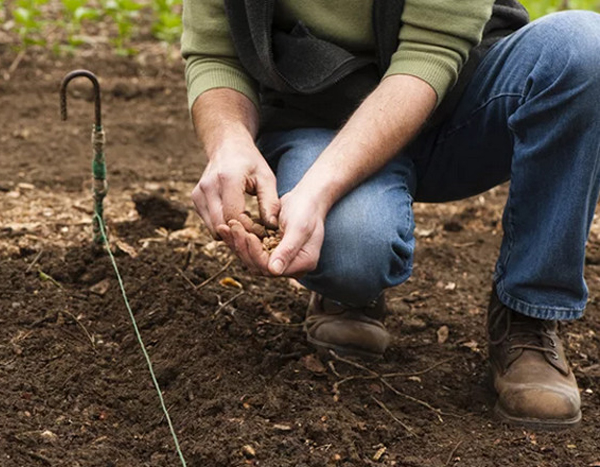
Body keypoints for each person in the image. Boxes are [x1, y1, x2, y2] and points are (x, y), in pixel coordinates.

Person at [181, 0, 600, 429]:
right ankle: (350, 293)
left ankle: (528, 314)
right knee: (352, 250)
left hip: (461, 98)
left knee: (585, 49)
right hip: (319, 111)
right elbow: (215, 52)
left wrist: (318, 189)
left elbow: (431, 52)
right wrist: (228, 140)